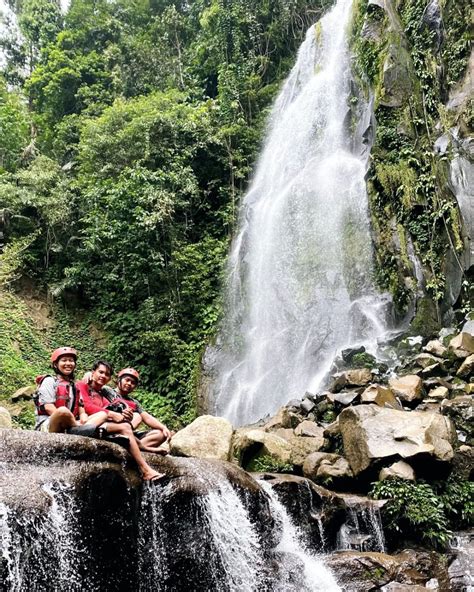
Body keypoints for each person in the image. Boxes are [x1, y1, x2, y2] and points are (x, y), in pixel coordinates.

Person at [76, 361, 165, 482]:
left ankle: (142, 449)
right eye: (100, 372)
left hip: (105, 424)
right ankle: (146, 469)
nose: (103, 376)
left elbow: (108, 409)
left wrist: (124, 416)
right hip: (88, 424)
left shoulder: (103, 394)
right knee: (125, 427)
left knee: (134, 420)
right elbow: (88, 405)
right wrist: (87, 375)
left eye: (106, 374)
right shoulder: (102, 390)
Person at [34, 347, 108, 435]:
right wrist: (73, 422)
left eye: (71, 361)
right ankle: (77, 429)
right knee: (63, 411)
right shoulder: (49, 381)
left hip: (70, 424)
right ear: (55, 364)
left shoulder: (74, 386)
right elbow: (49, 407)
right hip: (48, 423)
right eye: (64, 360)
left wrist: (83, 417)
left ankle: (76, 431)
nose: (68, 363)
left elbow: (81, 409)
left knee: (103, 414)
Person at [111, 368, 172, 454]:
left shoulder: (134, 402)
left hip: (129, 433)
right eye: (127, 380)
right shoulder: (108, 392)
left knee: (161, 434)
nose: (129, 384)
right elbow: (93, 386)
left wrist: (163, 427)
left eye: (133, 383)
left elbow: (147, 418)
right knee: (137, 416)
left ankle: (135, 448)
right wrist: (88, 375)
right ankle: (137, 447)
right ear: (119, 380)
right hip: (113, 428)